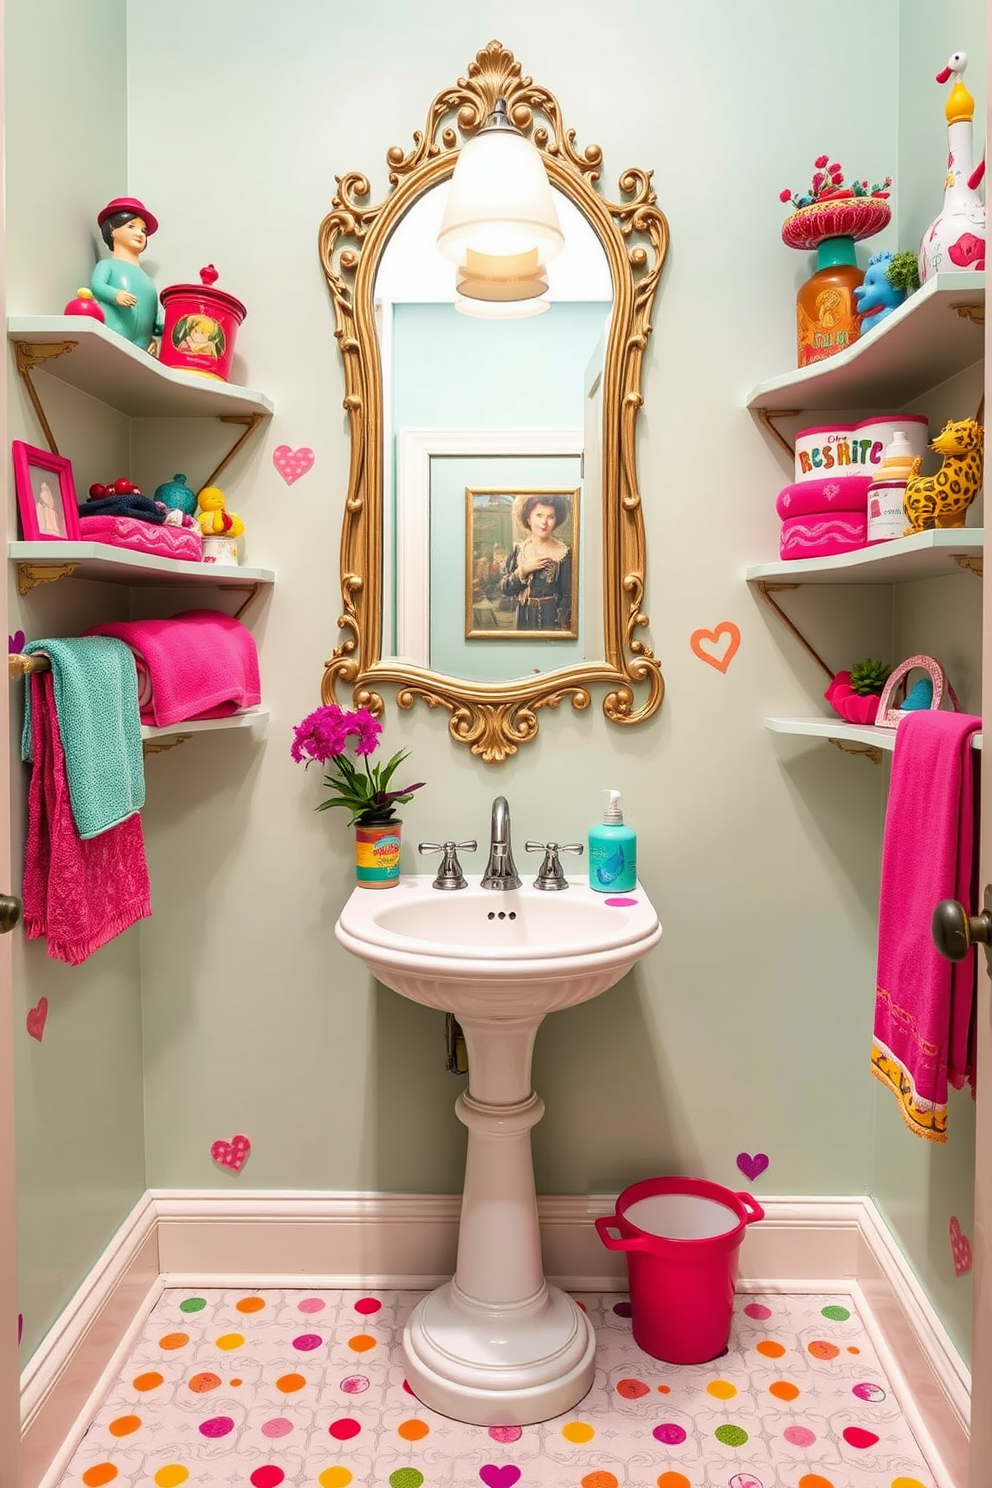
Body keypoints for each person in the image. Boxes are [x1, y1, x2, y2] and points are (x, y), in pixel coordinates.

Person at [89, 197, 164, 352]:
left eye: (143, 230)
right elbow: (97, 285)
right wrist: (115, 295)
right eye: (131, 226)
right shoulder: (107, 265)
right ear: (112, 230)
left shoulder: (148, 280)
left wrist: (159, 329)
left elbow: (153, 312)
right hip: (114, 335)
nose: (140, 234)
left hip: (143, 346)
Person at [498, 493, 574, 632]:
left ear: (556, 520)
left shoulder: (564, 553)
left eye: (550, 517)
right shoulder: (519, 551)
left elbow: (567, 597)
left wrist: (562, 627)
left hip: (551, 620)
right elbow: (504, 589)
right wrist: (524, 570)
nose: (544, 523)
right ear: (528, 517)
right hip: (523, 617)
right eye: (539, 515)